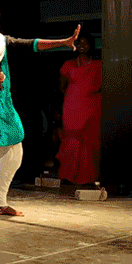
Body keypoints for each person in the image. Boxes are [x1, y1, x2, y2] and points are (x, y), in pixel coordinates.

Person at [0, 0, 80, 224]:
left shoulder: (0, 40)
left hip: (3, 100)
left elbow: (30, 44)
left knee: (14, 153)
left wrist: (64, 42)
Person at [56, 36, 102, 185]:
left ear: (91, 45)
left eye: (85, 42)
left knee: (90, 138)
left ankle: (89, 177)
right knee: (72, 137)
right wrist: (75, 97)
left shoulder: (99, 64)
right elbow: (62, 87)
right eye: (79, 43)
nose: (82, 45)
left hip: (92, 105)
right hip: (73, 104)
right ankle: (68, 175)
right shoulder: (68, 64)